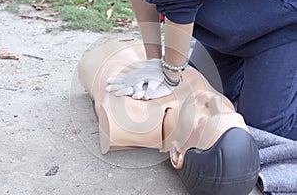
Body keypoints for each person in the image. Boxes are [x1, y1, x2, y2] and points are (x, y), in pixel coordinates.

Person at [78, 38, 260, 195]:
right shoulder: (210, 99)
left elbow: (97, 71)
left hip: (114, 48)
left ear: (176, 153)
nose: (212, 100)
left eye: (204, 119)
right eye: (229, 113)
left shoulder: (129, 117)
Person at [107, 0, 297, 141]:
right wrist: (154, 61)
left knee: (266, 130)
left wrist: (171, 72)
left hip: (282, 24)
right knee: (195, 100)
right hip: (226, 27)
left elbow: (181, 1)